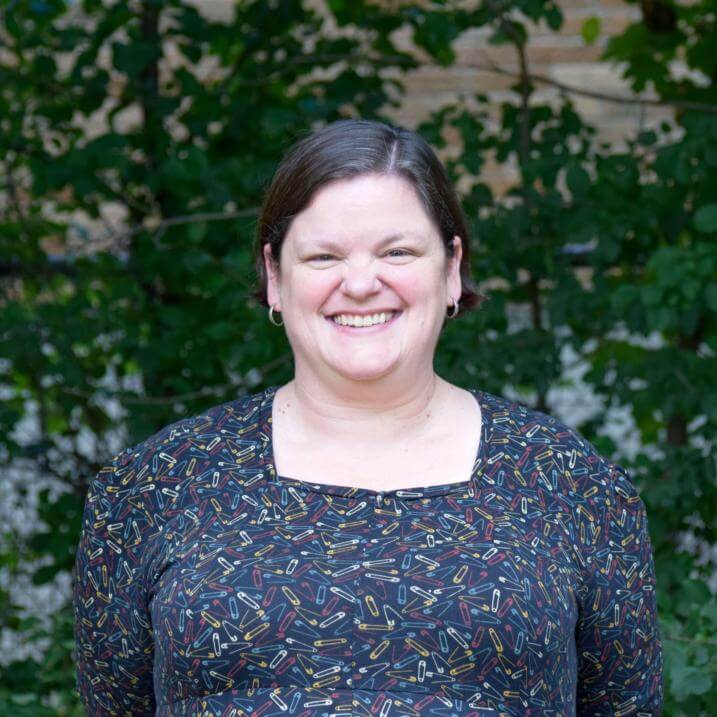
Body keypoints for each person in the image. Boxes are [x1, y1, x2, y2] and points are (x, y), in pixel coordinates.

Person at [73, 119, 663, 716]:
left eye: (397, 251)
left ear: (451, 267)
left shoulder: (569, 484)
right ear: (275, 276)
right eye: (324, 255)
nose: (359, 284)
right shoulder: (159, 485)